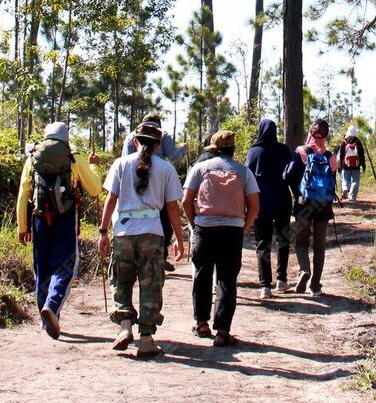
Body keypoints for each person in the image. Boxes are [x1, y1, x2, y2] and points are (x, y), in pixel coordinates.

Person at [99, 122, 188, 358]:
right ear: (158, 145)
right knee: (151, 284)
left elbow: (110, 199)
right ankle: (146, 338)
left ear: (136, 142)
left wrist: (103, 232)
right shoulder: (166, 169)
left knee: (120, 280)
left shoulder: (120, 164)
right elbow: (171, 208)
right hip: (152, 232)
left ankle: (125, 326)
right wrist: (179, 239)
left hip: (123, 232)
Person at [16, 122, 105, 340]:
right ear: (66, 138)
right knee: (65, 267)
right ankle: (52, 306)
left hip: (38, 221)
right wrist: (94, 166)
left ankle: (44, 317)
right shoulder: (73, 157)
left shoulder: (33, 157)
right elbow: (94, 188)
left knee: (42, 268)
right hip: (65, 220)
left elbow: (23, 193)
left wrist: (22, 226)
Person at [182, 131, 259, 346]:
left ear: (214, 148)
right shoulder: (244, 172)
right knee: (226, 280)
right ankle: (223, 331)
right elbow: (254, 206)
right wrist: (243, 227)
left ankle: (201, 323)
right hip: (232, 231)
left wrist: (194, 222)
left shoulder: (199, 168)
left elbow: (186, 200)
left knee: (202, 275)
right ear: (233, 149)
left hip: (204, 229)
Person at [124, 114, 187, 271]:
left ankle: (138, 260)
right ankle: (160, 257)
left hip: (132, 189)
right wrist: (183, 149)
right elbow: (174, 156)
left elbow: (125, 160)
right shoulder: (162, 135)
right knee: (164, 223)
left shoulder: (130, 136)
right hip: (158, 186)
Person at [283, 118, 338, 295]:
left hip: (303, 204)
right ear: (325, 135)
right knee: (319, 247)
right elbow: (333, 179)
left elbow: (288, 176)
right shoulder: (331, 157)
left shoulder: (301, 152)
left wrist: (296, 192)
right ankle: (315, 285)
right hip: (323, 206)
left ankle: (304, 269)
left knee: (301, 242)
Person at [244, 118, 293, 298]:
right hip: (282, 200)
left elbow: (248, 178)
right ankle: (282, 279)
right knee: (283, 240)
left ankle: (265, 285)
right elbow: (292, 171)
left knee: (263, 243)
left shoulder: (253, 152)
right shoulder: (283, 150)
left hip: (260, 202)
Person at [336, 127, 371, 203]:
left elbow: (341, 155)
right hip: (356, 165)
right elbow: (361, 155)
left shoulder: (344, 142)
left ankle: (345, 188)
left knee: (345, 180)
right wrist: (363, 166)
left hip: (345, 165)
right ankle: (352, 197)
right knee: (355, 181)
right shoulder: (358, 142)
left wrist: (340, 166)